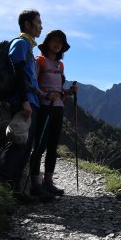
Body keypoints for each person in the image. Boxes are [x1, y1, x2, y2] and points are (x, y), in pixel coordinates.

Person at [0, 9, 53, 204]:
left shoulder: (27, 47)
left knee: (25, 146)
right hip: (24, 103)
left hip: (31, 101)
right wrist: (24, 101)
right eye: (38, 22)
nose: (41, 26)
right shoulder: (20, 44)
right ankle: (2, 188)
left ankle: (15, 190)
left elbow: (30, 81)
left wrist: (44, 95)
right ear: (28, 25)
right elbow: (18, 74)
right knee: (17, 143)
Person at [28, 30, 77, 198]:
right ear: (47, 42)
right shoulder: (39, 61)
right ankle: (35, 184)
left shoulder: (60, 65)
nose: (57, 44)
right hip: (44, 107)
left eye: (60, 42)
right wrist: (45, 95)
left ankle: (47, 183)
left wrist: (69, 92)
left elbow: (59, 90)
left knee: (53, 146)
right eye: (54, 40)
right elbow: (32, 84)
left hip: (57, 108)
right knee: (40, 145)